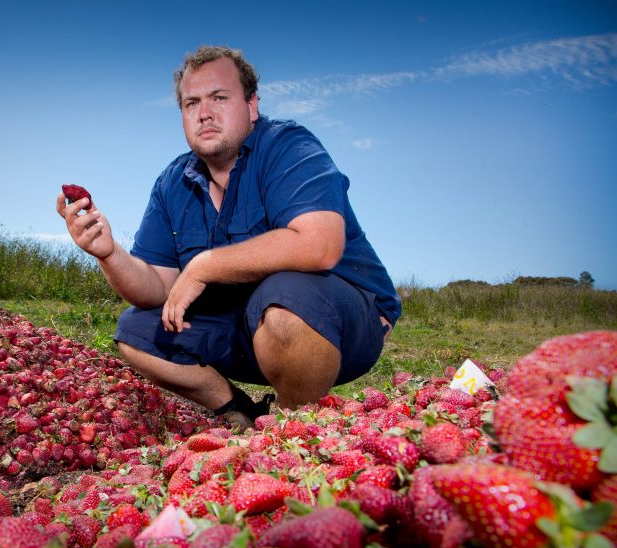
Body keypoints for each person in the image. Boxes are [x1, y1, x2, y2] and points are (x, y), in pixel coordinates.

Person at [57, 45, 400, 430]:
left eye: (220, 98)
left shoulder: (289, 147)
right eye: (191, 103)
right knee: (136, 330)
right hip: (248, 327)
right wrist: (109, 253)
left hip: (341, 326)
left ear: (252, 105)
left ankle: (299, 431)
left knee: (287, 294)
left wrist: (206, 266)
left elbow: (319, 245)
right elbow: (156, 289)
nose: (204, 112)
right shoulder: (173, 182)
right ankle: (241, 412)